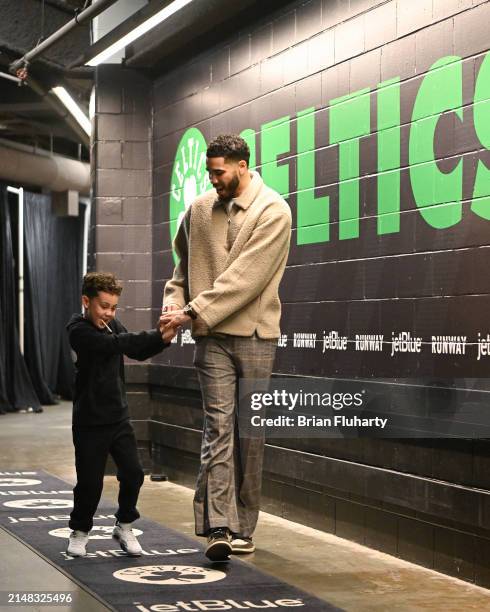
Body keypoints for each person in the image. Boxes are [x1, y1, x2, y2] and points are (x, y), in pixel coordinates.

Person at [160, 133, 292, 561]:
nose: (212, 179)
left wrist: (191, 311)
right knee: (218, 428)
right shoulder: (198, 211)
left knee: (248, 435)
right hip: (211, 338)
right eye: (209, 172)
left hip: (255, 336)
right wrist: (172, 302)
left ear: (241, 165)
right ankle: (219, 525)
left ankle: (244, 526)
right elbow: (182, 270)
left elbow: (246, 280)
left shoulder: (274, 210)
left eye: (219, 172)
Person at [65, 272, 175, 557]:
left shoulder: (111, 324)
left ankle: (124, 525)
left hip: (118, 419)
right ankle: (79, 531)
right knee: (90, 483)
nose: (109, 313)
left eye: (113, 307)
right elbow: (112, 345)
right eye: (103, 306)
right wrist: (153, 335)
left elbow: (134, 350)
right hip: (89, 422)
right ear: (86, 301)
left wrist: (162, 339)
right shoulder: (77, 329)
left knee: (134, 474)